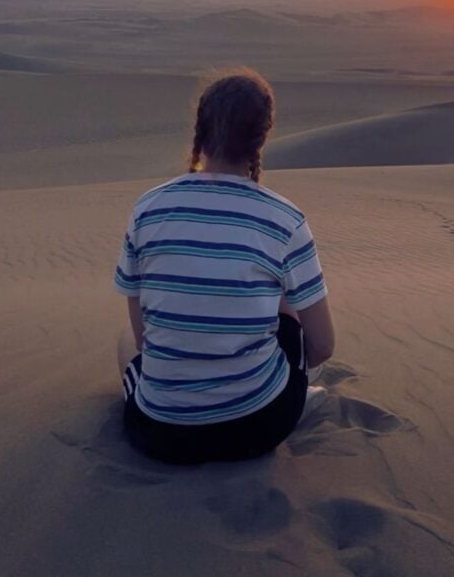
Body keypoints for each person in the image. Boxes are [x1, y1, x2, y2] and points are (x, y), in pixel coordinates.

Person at [114, 67, 335, 464]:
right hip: (257, 429)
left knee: (125, 345)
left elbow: (143, 338)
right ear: (262, 136)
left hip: (158, 435)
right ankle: (294, 395)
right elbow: (322, 346)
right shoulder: (284, 219)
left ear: (200, 129)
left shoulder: (148, 208)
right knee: (286, 307)